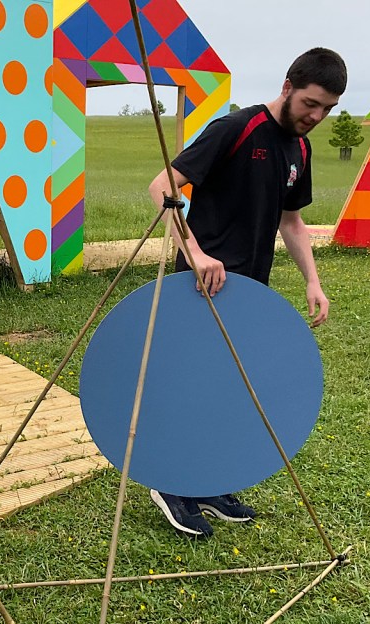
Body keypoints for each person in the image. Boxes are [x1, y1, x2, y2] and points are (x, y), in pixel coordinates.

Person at [145, 47, 345, 538]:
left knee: (228, 388)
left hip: (251, 292)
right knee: (191, 386)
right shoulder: (237, 128)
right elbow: (162, 185)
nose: (316, 117)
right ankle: (170, 483)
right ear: (287, 86)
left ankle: (207, 482)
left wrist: (313, 281)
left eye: (327, 109)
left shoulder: (299, 148)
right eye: (311, 104)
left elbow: (292, 220)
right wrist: (195, 251)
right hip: (201, 284)